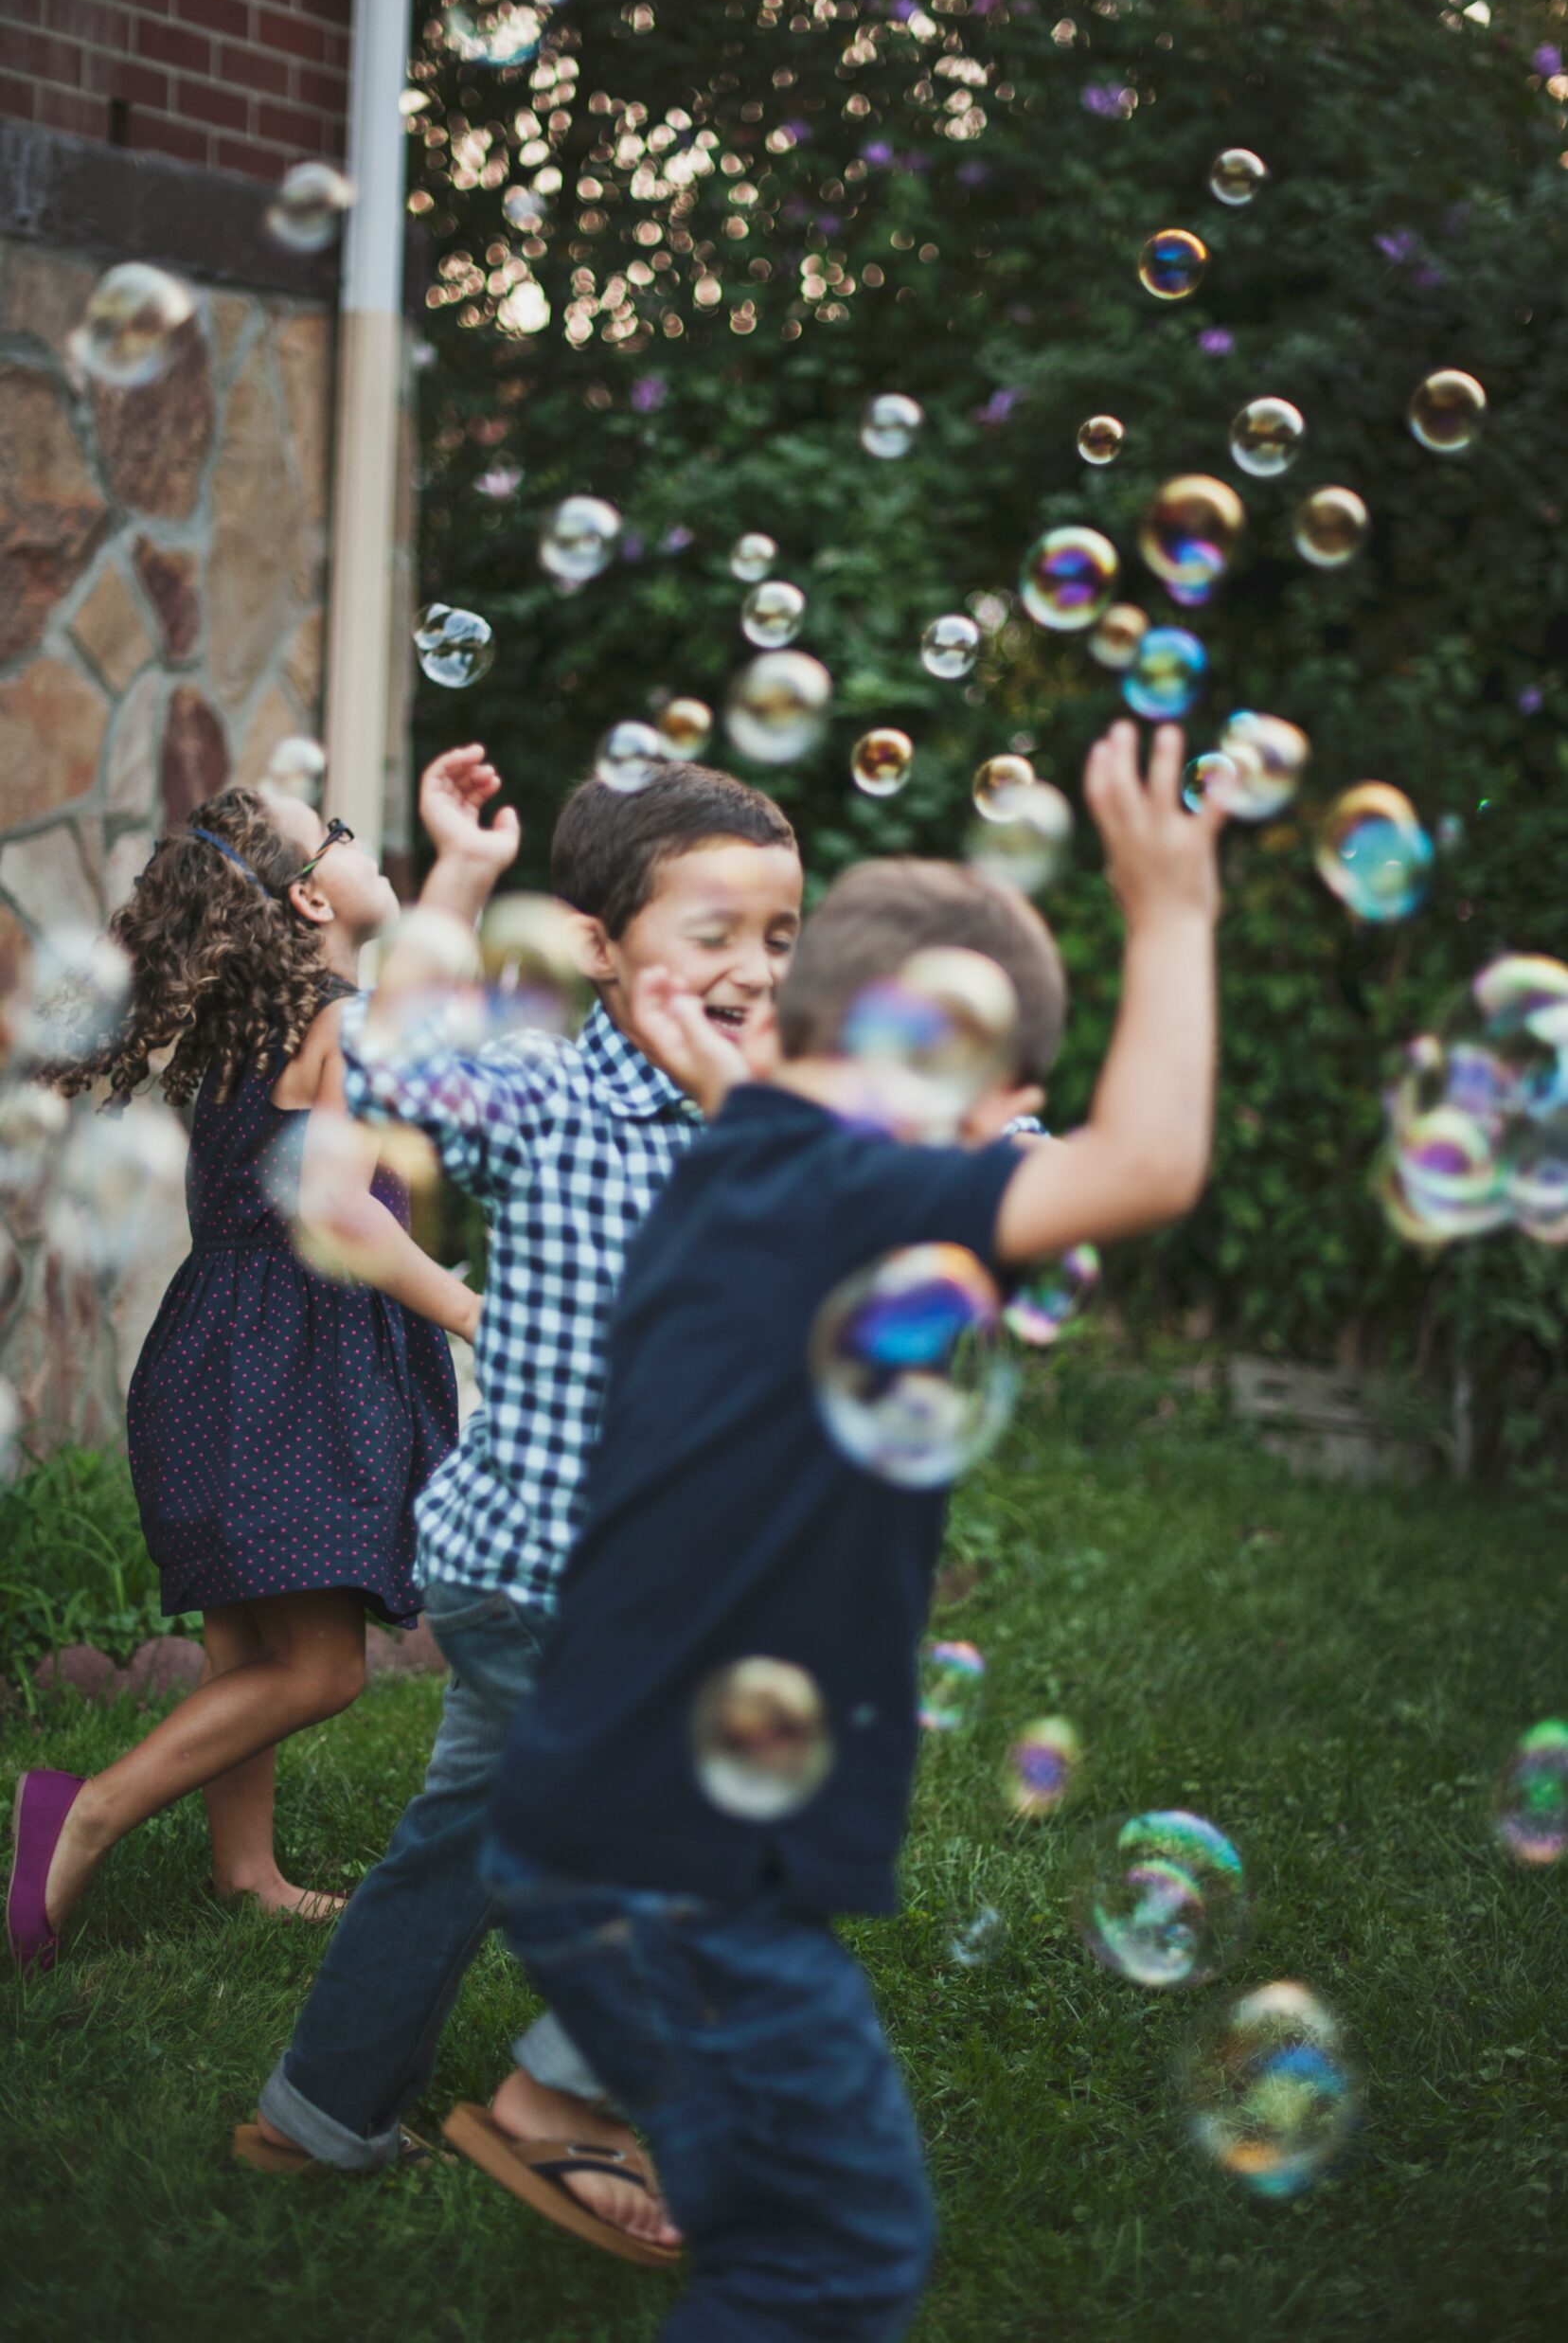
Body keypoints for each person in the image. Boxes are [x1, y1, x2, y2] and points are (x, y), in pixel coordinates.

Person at [475, 721, 1223, 2339]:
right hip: (690, 1874)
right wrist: (1172, 909)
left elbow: (771, 1102)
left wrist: (751, 1073)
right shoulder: (860, 1194)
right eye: (1003, 1105)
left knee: (773, 2233)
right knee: (834, 2252)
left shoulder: (736, 1160)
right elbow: (1152, 1162)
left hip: (589, 1825)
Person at [241, 746, 803, 2247]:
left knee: (460, 1849)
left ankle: (316, 2114)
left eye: (779, 937)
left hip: (564, 1575)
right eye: (713, 934)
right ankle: (561, 2102)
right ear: (603, 949)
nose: (753, 970)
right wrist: (462, 878)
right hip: (558, 1577)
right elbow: (400, 1063)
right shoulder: (546, 1092)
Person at [7, 788, 466, 1975]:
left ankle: (245, 1873)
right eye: (343, 833)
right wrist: (477, 1309)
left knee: (245, 1650)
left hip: (211, 1351)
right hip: (295, 1362)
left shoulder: (243, 1036)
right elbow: (338, 1213)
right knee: (316, 1669)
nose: (363, 843)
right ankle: (86, 1812)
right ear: (312, 896)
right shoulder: (341, 1024)